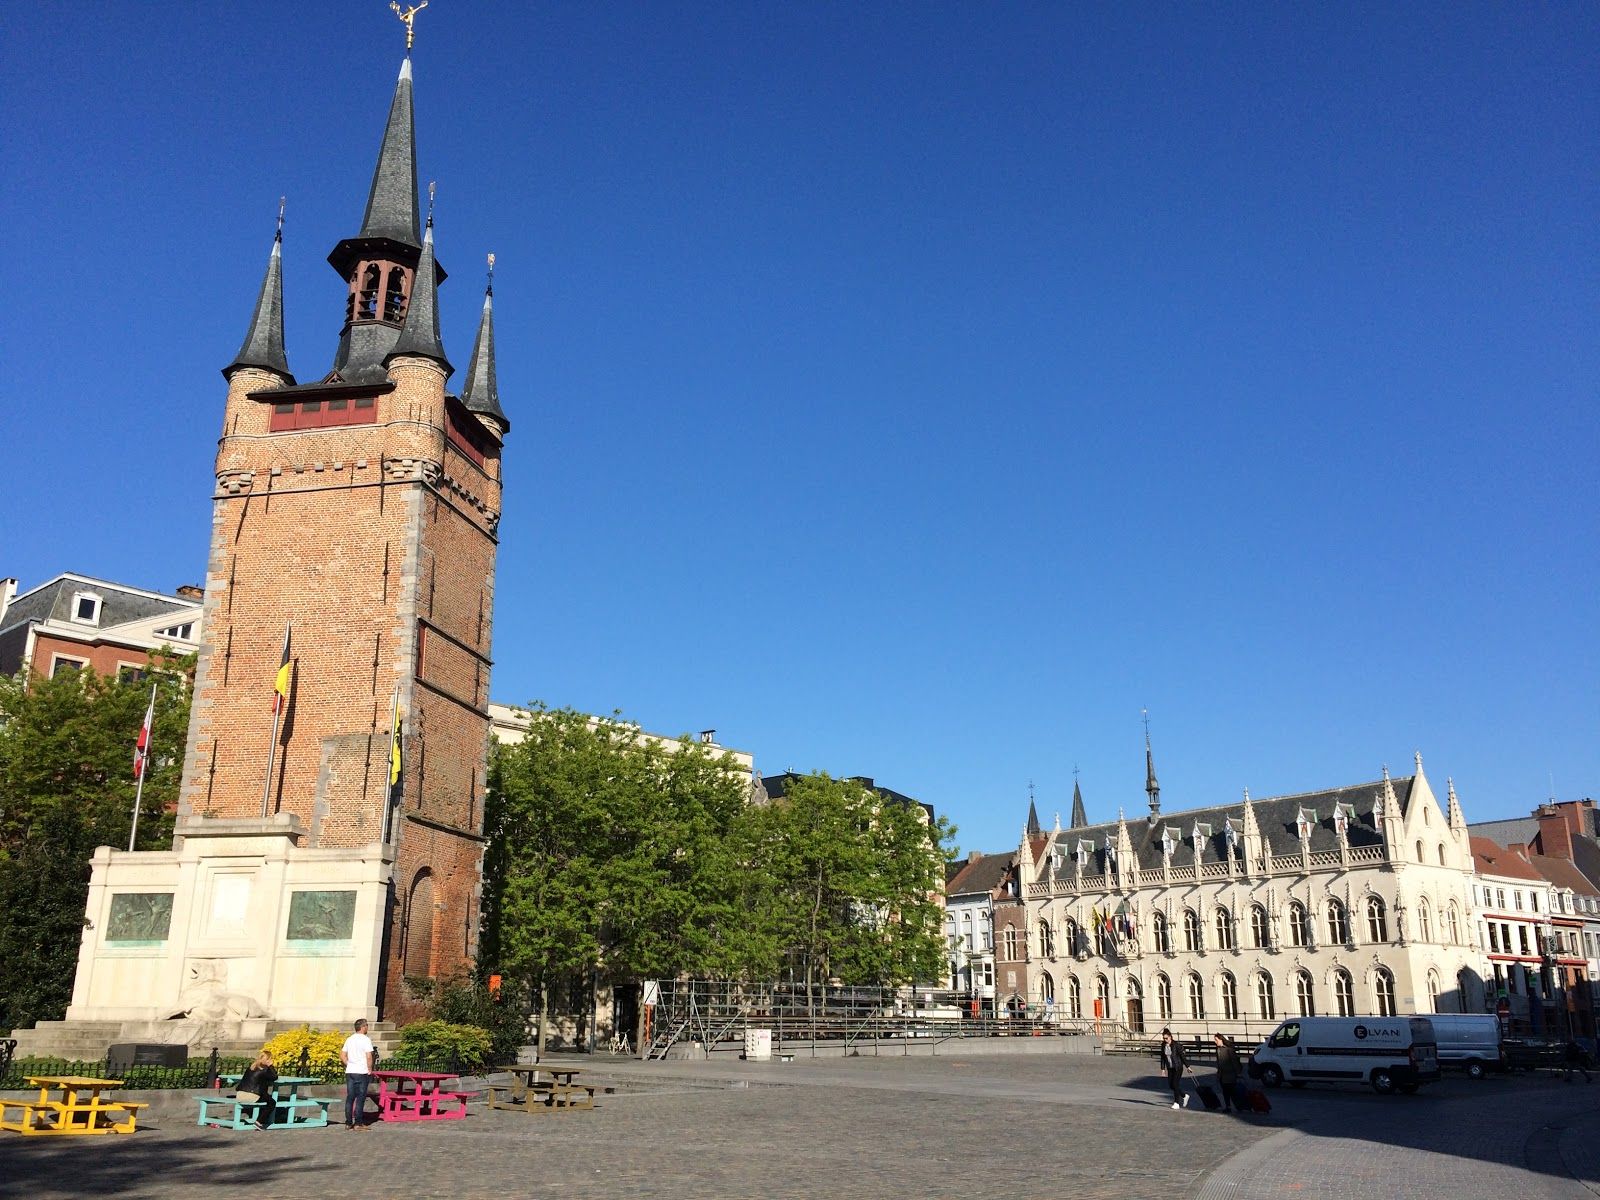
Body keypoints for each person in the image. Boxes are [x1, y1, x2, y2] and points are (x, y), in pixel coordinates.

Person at [341, 1018, 376, 1130]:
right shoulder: (366, 1040)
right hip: (361, 1071)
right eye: (367, 1025)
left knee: (350, 1097)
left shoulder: (349, 1039)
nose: (367, 1027)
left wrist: (349, 1064)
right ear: (363, 1027)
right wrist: (369, 1068)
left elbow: (342, 1055)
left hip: (351, 1071)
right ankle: (358, 1122)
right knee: (360, 1097)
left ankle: (348, 1122)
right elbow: (369, 1056)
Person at [235, 1050, 278, 1130]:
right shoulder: (264, 1069)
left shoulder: (252, 1067)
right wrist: (271, 1066)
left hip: (240, 1094)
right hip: (252, 1095)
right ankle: (259, 1122)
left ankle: (259, 1120)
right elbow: (274, 1077)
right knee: (272, 1102)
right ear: (267, 1060)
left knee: (266, 1097)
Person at [1159, 1028, 1188, 1109]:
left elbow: (1182, 1056)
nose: (1165, 1040)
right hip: (1170, 1068)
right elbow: (1163, 1058)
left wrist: (1188, 1066)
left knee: (1175, 1084)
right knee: (1171, 1085)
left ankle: (1176, 1103)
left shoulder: (1176, 1045)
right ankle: (1184, 1096)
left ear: (1170, 1037)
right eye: (1164, 1038)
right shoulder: (1163, 1045)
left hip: (1178, 1067)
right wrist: (1163, 1069)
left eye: (1166, 1038)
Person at [1213, 1032, 1240, 1113]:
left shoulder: (1229, 1049)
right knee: (1225, 1091)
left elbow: (1234, 1061)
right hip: (1222, 1074)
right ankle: (1228, 1106)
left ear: (1221, 1039)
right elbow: (1219, 1063)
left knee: (1232, 1091)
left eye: (1216, 1040)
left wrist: (1237, 1072)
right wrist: (1218, 1074)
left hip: (1230, 1073)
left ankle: (1239, 1105)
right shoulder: (1218, 1049)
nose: (1215, 1042)